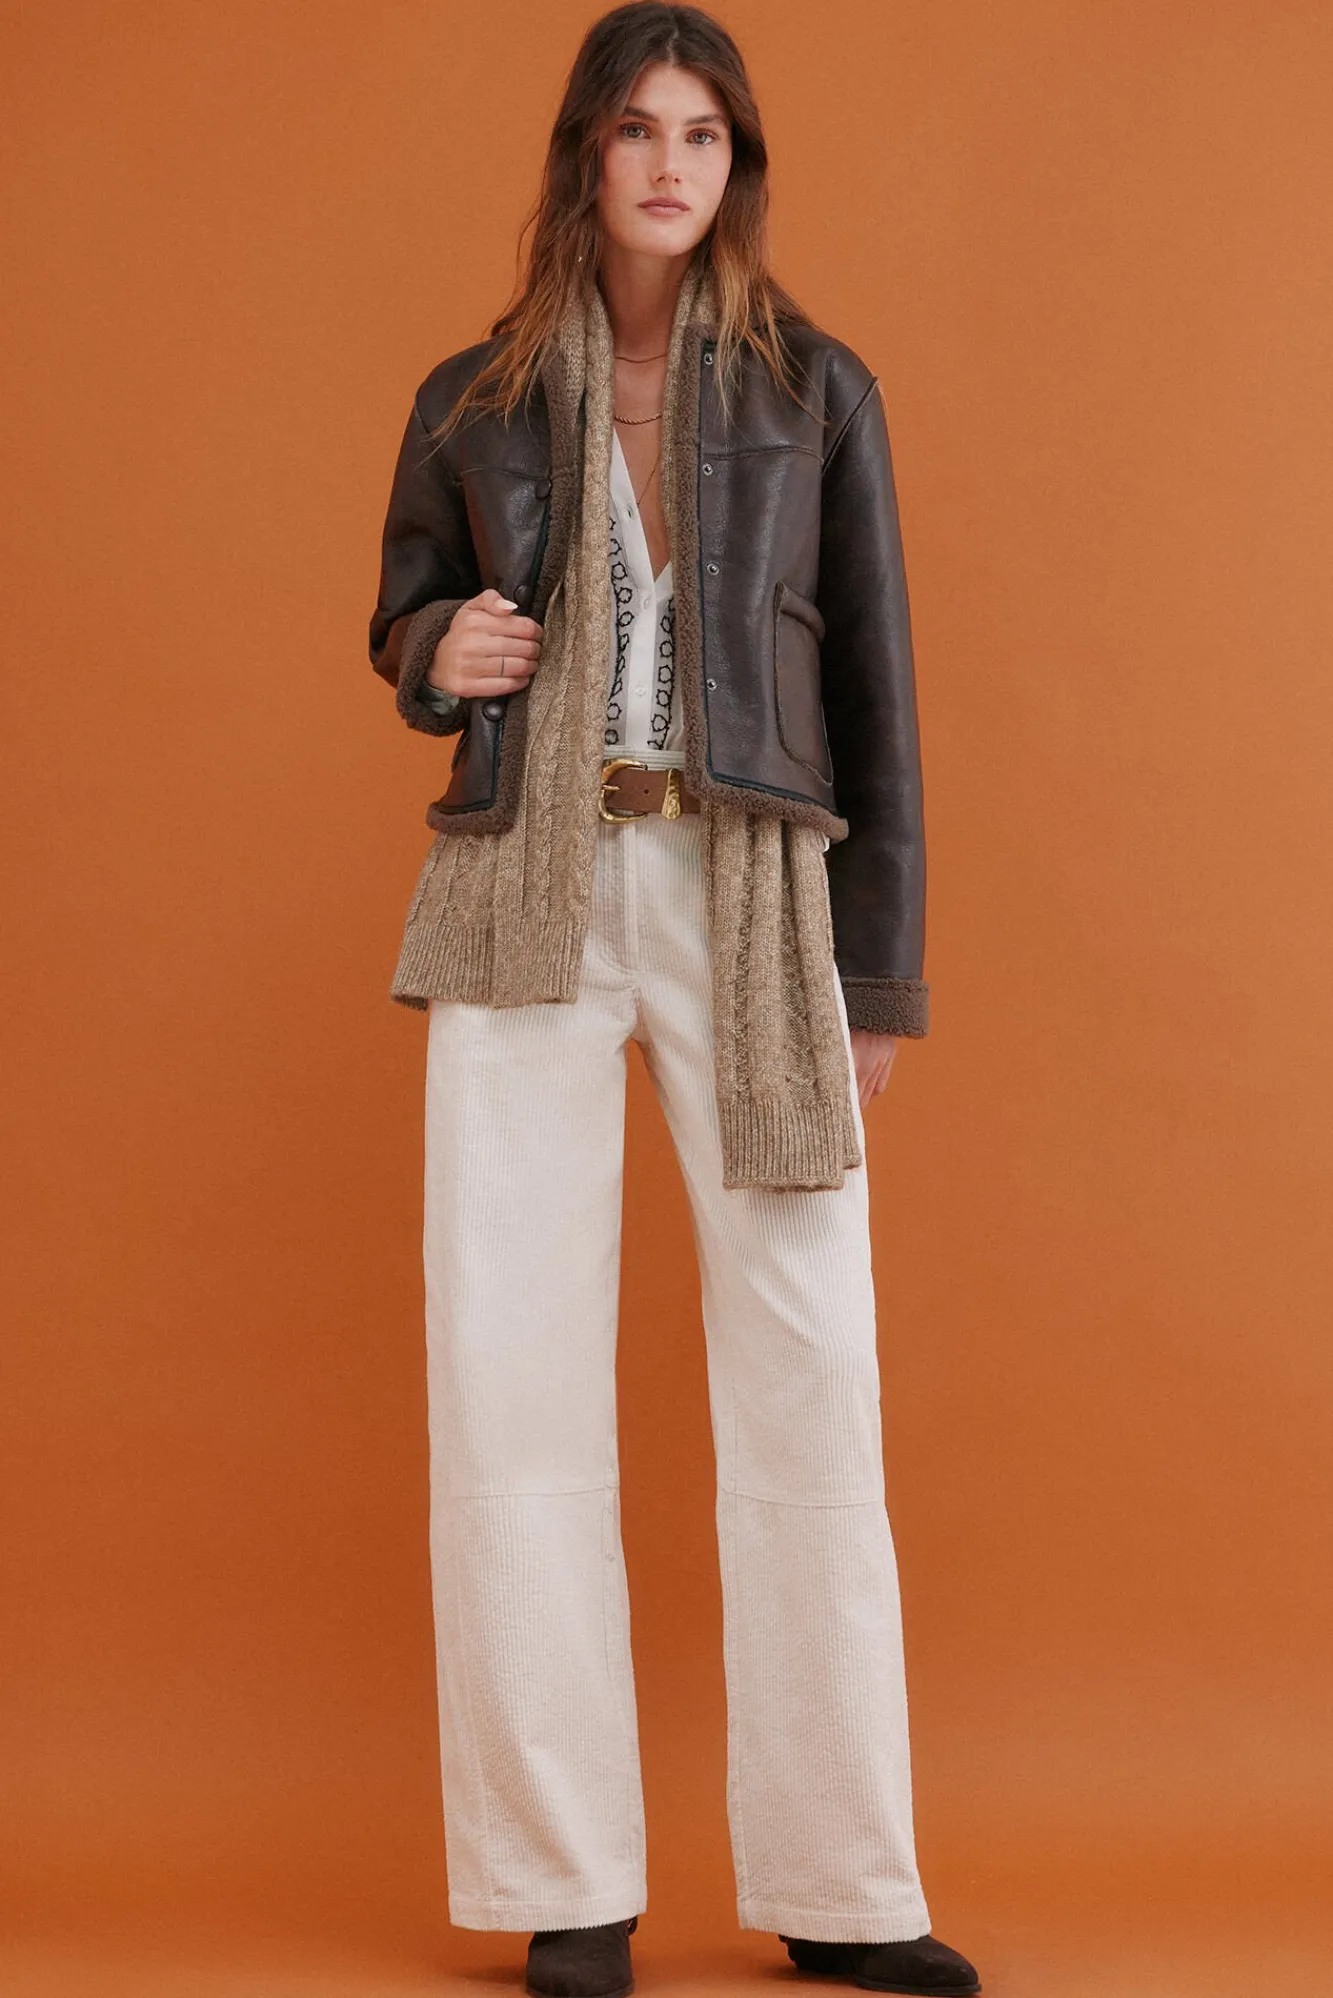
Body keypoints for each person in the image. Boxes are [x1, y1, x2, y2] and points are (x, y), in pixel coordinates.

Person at [367, 6, 981, 1996]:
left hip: (750, 887)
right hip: (522, 887)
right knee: (509, 1370)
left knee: (811, 1368)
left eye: (702, 135)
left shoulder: (818, 391)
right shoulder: (471, 397)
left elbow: (877, 688)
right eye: (636, 129)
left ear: (737, 167)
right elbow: (406, 612)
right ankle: (568, 1881)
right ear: (586, 154)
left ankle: (843, 1884)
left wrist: (873, 969)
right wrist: (434, 650)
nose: (667, 164)